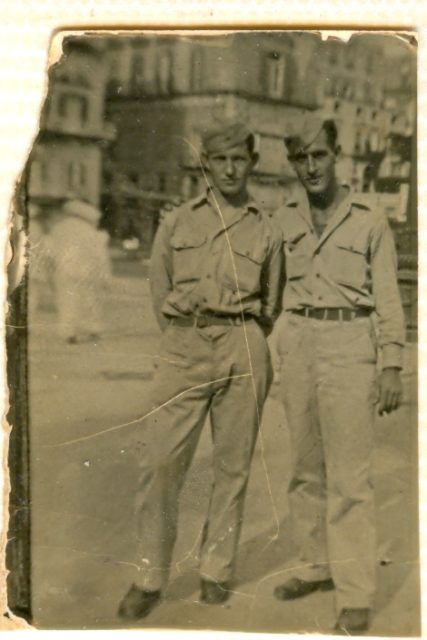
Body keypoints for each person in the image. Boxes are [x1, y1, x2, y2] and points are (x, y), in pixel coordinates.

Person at [118, 121, 283, 620]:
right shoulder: (176, 222)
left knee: (232, 468)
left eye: (239, 160)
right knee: (161, 465)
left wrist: (241, 335)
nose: (230, 168)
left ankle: (216, 569)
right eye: (220, 159)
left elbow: (271, 302)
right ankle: (149, 576)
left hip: (244, 343)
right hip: (184, 344)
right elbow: (158, 287)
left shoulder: (268, 228)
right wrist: (186, 334)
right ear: (205, 164)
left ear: (251, 163)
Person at [272, 115, 405, 634]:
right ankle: (315, 566)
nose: (311, 166)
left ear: (336, 154)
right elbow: (270, 289)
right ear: (292, 164)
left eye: (318, 155)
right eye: (300, 159)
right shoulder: (284, 220)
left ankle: (355, 593)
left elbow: (389, 298)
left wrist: (391, 362)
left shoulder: (370, 219)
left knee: (350, 478)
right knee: (305, 470)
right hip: (299, 342)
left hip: (351, 345)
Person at [49, 198, 111, 343]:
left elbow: (49, 250)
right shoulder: (89, 230)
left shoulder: (58, 227)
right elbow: (99, 254)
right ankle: (93, 328)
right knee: (90, 299)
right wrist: (105, 275)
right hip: (87, 270)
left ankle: (68, 332)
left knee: (66, 300)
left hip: (64, 269)